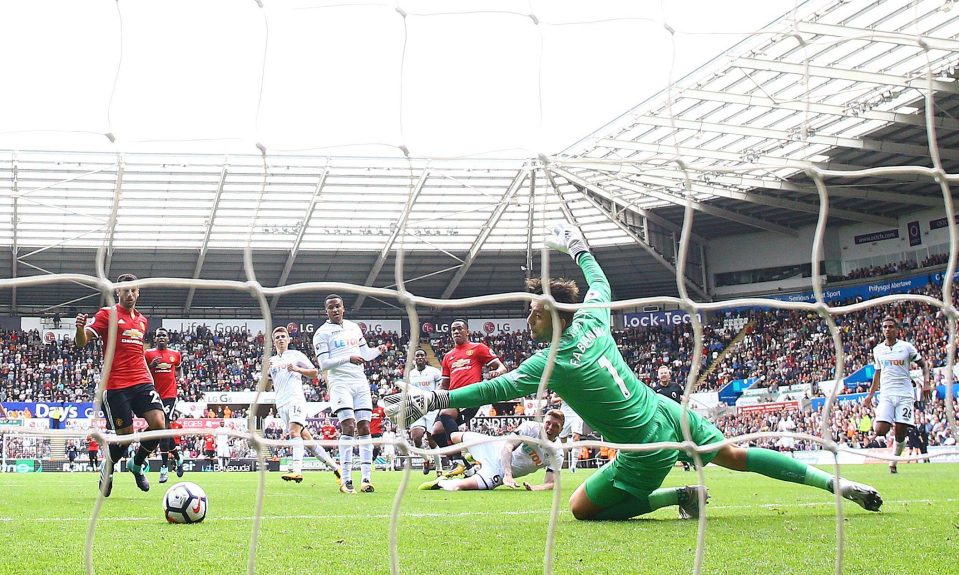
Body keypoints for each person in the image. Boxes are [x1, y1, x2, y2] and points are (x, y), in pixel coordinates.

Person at [388, 223, 883, 520]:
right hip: (667, 409)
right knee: (734, 452)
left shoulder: (549, 362)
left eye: (534, 311)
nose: (528, 318)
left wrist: (430, 401)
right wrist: (577, 249)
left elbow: (492, 387)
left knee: (580, 510)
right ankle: (832, 485)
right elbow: (599, 282)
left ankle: (676, 495)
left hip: (646, 448)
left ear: (553, 313)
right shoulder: (594, 319)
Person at [75, 273, 165, 496]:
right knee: (124, 437)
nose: (130, 294)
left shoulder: (142, 320)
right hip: (116, 385)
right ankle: (109, 464)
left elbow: (134, 351)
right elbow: (81, 342)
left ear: (138, 292)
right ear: (118, 291)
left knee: (159, 425)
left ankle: (136, 464)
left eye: (134, 290)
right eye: (126, 290)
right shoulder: (108, 314)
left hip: (142, 381)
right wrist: (79, 328)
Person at [313, 294, 387, 494]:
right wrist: (348, 358)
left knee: (364, 427)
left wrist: (378, 350)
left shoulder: (354, 327)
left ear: (343, 308)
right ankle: (346, 480)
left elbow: (364, 355)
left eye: (338, 306)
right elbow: (323, 364)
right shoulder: (321, 333)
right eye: (331, 308)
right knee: (349, 425)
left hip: (360, 382)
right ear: (326, 311)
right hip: (340, 383)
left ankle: (366, 479)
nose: (335, 310)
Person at [420, 410, 565, 492]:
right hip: (494, 447)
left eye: (555, 426)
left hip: (498, 472)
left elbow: (551, 483)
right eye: (548, 423)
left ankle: (441, 482)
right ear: (543, 421)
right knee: (454, 436)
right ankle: (465, 461)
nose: (550, 428)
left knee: (457, 487)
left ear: (561, 429)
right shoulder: (530, 428)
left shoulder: (557, 452)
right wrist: (509, 475)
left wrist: (535, 488)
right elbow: (508, 447)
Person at [267, 326, 339, 483]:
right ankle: (336, 468)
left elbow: (314, 372)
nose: (280, 339)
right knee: (308, 440)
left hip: (295, 399)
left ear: (288, 339)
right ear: (274, 341)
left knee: (294, 433)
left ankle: (296, 471)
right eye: (277, 337)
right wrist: (265, 376)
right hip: (281, 404)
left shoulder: (296, 355)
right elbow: (268, 386)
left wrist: (297, 369)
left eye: (283, 336)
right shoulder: (271, 361)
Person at [434, 319, 507, 475]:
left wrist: (497, 372)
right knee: (436, 432)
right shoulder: (448, 356)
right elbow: (444, 385)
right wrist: (434, 399)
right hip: (452, 396)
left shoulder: (478, 348)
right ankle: (468, 468)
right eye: (453, 329)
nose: (456, 332)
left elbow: (501, 367)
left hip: (471, 395)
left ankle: (457, 460)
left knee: (446, 414)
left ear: (467, 331)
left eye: (459, 328)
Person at [864, 315, 930, 474]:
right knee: (880, 430)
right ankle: (883, 417)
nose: (887, 329)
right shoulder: (878, 350)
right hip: (886, 394)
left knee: (900, 433)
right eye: (885, 327)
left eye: (891, 327)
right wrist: (870, 395)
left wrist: (927, 383)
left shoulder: (907, 347)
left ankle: (893, 462)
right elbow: (877, 374)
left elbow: (924, 365)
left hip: (905, 395)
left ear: (897, 329)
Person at [145, 327, 184, 483]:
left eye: (164, 335)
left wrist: (179, 380)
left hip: (169, 396)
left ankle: (163, 468)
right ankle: (179, 459)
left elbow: (179, 369)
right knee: (165, 430)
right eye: (158, 335)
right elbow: (142, 371)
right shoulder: (148, 354)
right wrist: (151, 366)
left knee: (163, 428)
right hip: (154, 395)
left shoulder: (175, 355)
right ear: (155, 339)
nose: (161, 337)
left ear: (168, 339)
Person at [406, 349, 444, 475]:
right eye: (417, 355)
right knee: (416, 438)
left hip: (431, 409)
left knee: (432, 440)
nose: (420, 357)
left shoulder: (434, 372)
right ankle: (426, 460)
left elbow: (441, 387)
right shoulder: (410, 374)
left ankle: (439, 469)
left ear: (426, 358)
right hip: (417, 409)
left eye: (422, 355)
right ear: (414, 359)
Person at [649, 365, 691, 470]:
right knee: (670, 442)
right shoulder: (655, 390)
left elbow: (684, 397)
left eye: (665, 373)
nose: (663, 375)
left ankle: (690, 461)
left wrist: (686, 401)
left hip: (677, 418)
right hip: (664, 421)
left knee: (684, 440)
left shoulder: (676, 386)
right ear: (658, 376)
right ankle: (676, 463)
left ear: (669, 375)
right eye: (661, 373)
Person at [558, 399, 585, 473]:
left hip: (576, 414)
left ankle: (573, 466)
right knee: (562, 442)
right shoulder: (561, 387)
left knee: (576, 437)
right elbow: (553, 399)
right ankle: (559, 464)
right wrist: (562, 397)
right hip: (564, 415)